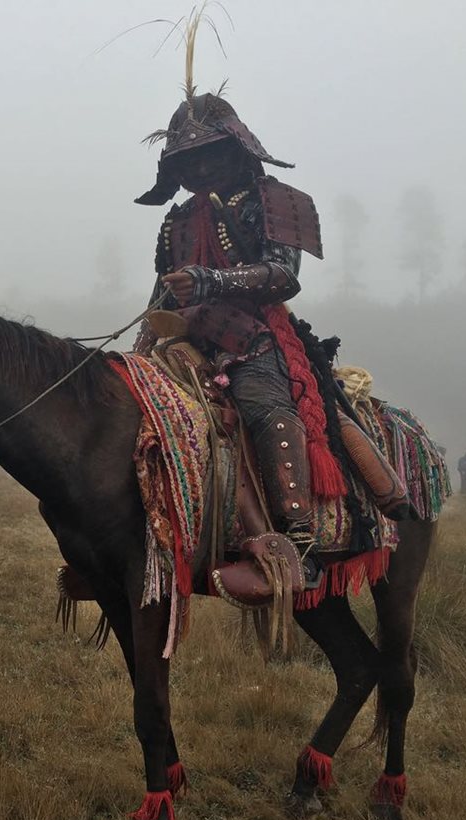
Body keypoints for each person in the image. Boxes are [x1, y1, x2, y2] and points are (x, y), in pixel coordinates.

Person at [133, 90, 406, 599]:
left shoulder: (272, 200)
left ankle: (295, 548)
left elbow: (284, 276)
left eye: (208, 153)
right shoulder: (174, 221)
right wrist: (139, 351)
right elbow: (161, 293)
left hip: (251, 338)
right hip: (185, 341)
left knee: (265, 409)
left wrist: (210, 281)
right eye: (188, 159)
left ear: (236, 148)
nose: (200, 166)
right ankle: (136, 543)